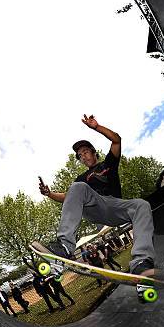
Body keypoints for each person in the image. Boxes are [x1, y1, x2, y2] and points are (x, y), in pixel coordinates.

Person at [38, 114, 155, 278]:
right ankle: (65, 246)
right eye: (80, 155)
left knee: (142, 205)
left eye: (85, 152)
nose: (83, 156)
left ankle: (141, 262)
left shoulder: (108, 164)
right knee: (77, 187)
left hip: (115, 207)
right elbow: (68, 198)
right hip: (94, 209)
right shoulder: (81, 180)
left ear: (94, 152)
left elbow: (116, 140)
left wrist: (97, 127)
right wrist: (49, 194)